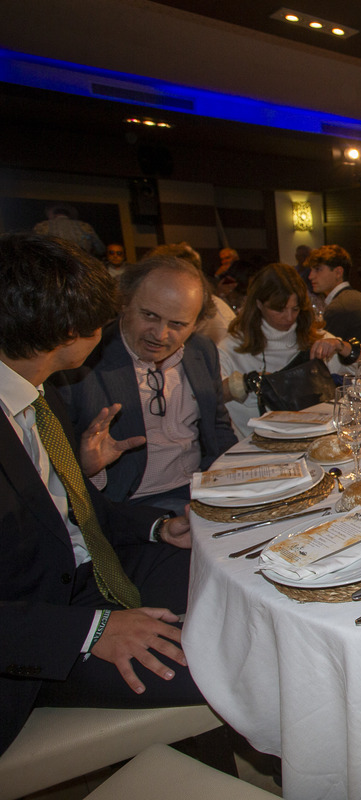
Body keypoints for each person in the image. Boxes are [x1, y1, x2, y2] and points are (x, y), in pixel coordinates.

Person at [0, 233, 202, 757]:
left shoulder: (35, 395)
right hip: (40, 633)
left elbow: (68, 515)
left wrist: (158, 527)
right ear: (72, 331)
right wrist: (87, 631)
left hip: (100, 566)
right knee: (226, 666)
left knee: (242, 590)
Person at [55, 255, 237, 515]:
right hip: (135, 505)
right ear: (125, 302)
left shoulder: (202, 351)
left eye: (177, 324)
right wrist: (89, 467)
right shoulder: (84, 362)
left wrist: (239, 480)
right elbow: (65, 471)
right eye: (150, 315)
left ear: (196, 324)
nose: (160, 334)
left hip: (203, 489)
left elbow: (218, 425)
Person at [219, 263, 361, 437]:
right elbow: (212, 397)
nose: (289, 317)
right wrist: (243, 383)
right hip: (260, 451)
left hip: (316, 442)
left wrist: (341, 346)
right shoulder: (232, 348)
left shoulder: (312, 337)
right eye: (279, 310)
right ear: (259, 304)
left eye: (295, 309)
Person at [304, 244, 361, 350]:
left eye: (318, 269)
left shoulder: (339, 306)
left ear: (338, 272)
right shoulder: (357, 297)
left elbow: (320, 350)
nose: (311, 276)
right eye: (311, 270)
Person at [33, 204, 104, 257]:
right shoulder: (84, 226)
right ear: (69, 215)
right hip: (82, 267)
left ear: (53, 214)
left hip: (54, 267)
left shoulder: (43, 226)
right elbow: (100, 249)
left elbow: (34, 249)